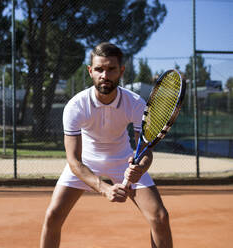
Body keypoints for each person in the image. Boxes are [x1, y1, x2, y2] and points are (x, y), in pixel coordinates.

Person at [40, 42, 172, 248]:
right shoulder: (76, 106)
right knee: (53, 215)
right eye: (99, 69)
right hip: (85, 163)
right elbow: (73, 160)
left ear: (121, 70)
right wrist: (103, 188)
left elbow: (145, 151)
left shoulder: (136, 103)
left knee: (160, 217)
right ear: (90, 71)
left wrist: (140, 168)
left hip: (124, 161)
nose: (105, 75)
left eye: (111, 69)